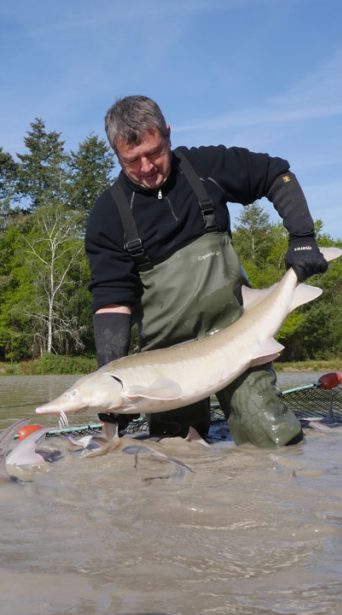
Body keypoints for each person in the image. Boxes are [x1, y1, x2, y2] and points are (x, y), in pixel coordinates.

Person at [85, 95, 329, 447]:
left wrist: (303, 237)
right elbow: (111, 302)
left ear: (168, 134)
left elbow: (276, 174)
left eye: (155, 152)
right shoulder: (107, 215)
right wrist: (113, 382)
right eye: (132, 160)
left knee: (274, 440)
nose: (147, 167)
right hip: (165, 358)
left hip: (235, 335)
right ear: (116, 154)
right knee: (172, 456)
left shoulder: (205, 166)